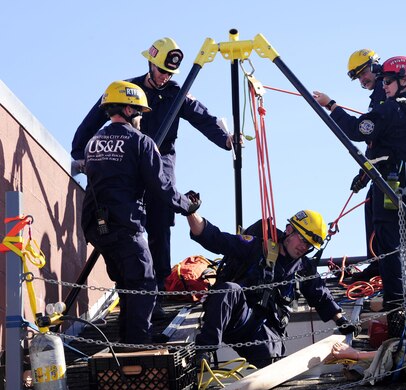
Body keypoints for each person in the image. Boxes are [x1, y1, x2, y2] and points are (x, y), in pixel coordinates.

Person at [71, 37, 232, 318]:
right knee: (126, 217)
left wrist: (227, 141)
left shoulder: (177, 94)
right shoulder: (127, 90)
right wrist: (79, 153)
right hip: (128, 156)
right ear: (150, 64)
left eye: (169, 73)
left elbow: (203, 118)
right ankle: (131, 289)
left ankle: (156, 288)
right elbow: (94, 118)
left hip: (161, 157)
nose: (165, 76)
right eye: (161, 71)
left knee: (160, 214)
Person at [313, 56, 406, 308]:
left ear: (404, 80)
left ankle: (398, 307)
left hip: (392, 191)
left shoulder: (391, 109)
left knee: (391, 251)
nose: (383, 85)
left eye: (388, 80)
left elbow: (357, 130)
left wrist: (331, 105)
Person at [81, 81, 200, 344]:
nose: (141, 119)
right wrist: (187, 205)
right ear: (128, 110)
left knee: (127, 285)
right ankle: (138, 344)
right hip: (125, 225)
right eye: (139, 113)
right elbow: (162, 187)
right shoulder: (140, 142)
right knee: (145, 282)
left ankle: (127, 342)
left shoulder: (93, 143)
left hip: (96, 227)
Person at [187, 207, 358, 368]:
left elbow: (321, 296)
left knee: (274, 365)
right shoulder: (257, 247)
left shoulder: (304, 268)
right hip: (238, 317)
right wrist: (191, 211)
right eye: (303, 240)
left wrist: (341, 321)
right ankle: (204, 352)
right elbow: (215, 238)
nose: (304, 247)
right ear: (289, 230)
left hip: (264, 333)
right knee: (229, 290)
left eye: (309, 246)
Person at [346, 49, 386, 282]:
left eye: (364, 72)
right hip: (381, 167)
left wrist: (331, 106)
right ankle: (379, 262)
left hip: (393, 168)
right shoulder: (378, 95)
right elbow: (375, 144)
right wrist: (364, 174)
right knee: (372, 207)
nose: (362, 79)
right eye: (358, 76)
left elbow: (372, 136)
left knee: (381, 213)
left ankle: (385, 264)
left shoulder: (383, 92)